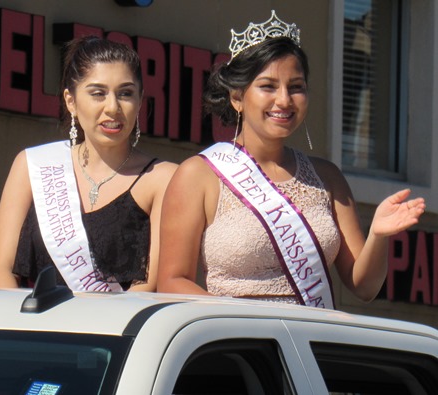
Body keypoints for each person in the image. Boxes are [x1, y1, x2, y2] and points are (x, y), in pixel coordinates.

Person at [157, 11, 426, 308]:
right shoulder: (199, 175)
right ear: (237, 97)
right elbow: (172, 281)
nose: (284, 100)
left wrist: (378, 235)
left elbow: (364, 287)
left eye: (296, 87)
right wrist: (245, 320)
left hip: (310, 342)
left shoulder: (327, 177)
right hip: (238, 344)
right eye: (268, 86)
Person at [0, 36, 177, 292]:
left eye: (125, 93)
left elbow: (149, 286)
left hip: (117, 329)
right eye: (98, 94)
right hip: (31, 327)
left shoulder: (162, 178)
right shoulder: (32, 166)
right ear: (71, 101)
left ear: (140, 101)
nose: (113, 107)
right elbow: (1, 272)